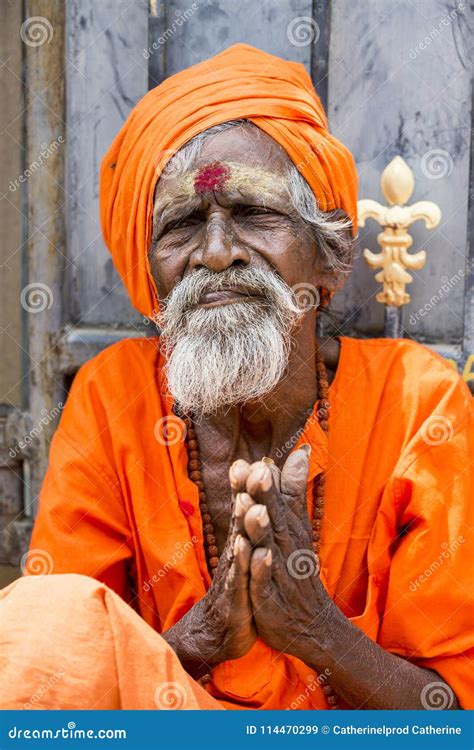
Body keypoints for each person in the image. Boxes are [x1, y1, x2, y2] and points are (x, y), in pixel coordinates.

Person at [1, 44, 472, 711]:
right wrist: (202, 637)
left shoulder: (421, 405)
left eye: (255, 215)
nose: (217, 253)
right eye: (183, 225)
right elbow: (60, 663)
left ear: (329, 261)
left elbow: (452, 712)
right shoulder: (115, 397)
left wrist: (319, 634)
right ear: (154, 283)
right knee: (36, 621)